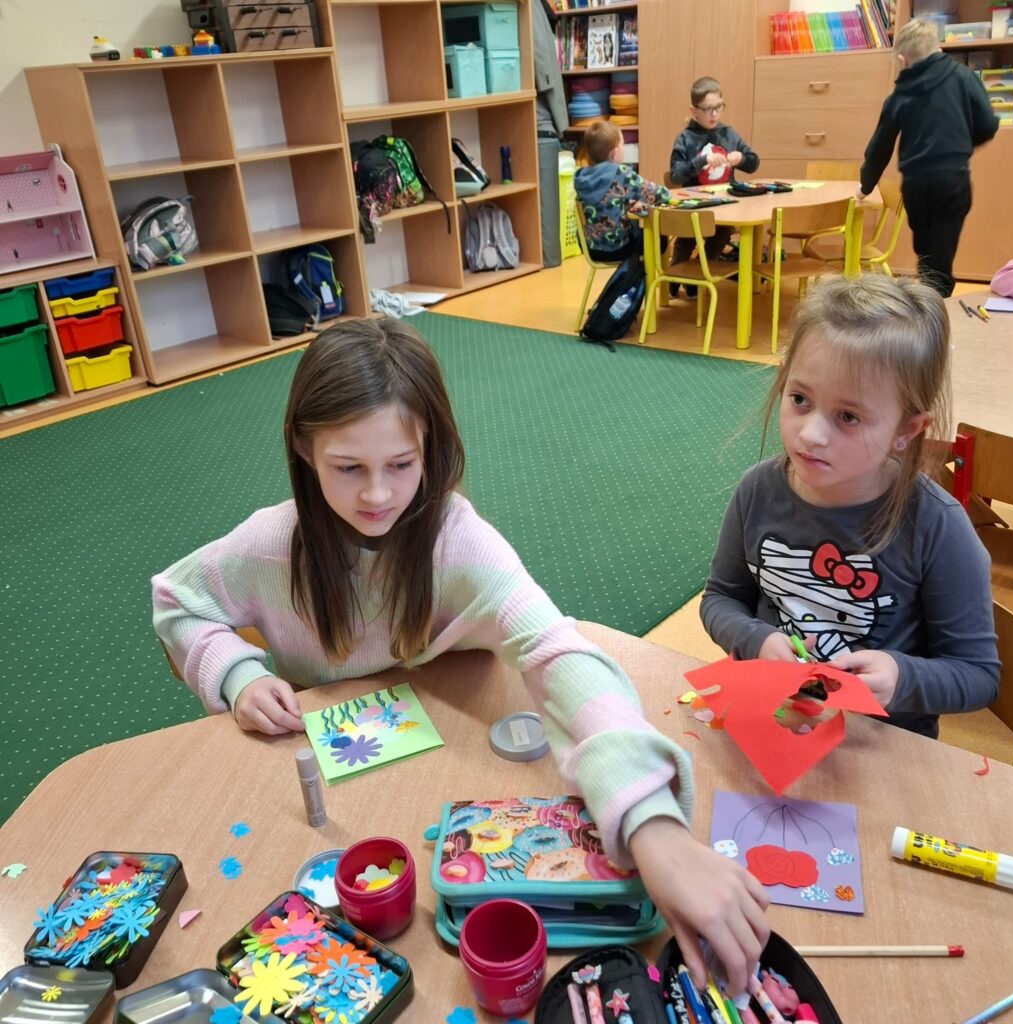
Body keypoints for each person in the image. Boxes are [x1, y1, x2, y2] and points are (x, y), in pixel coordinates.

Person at [153, 319, 769, 993]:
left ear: (431, 448)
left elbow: (555, 646)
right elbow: (178, 601)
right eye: (348, 467)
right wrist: (236, 673)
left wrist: (653, 825)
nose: (378, 495)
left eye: (401, 465)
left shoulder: (457, 541)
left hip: (448, 743)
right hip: (334, 789)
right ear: (303, 448)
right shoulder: (271, 544)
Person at [700, 275, 999, 739]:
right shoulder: (757, 490)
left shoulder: (936, 525)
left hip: (878, 745)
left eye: (848, 416)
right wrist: (756, 640)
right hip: (771, 723)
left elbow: (978, 675)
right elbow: (721, 599)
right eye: (800, 399)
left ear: (908, 428)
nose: (812, 434)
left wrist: (901, 678)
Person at [857, 18, 999, 298]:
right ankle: (937, 299)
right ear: (937, 48)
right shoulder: (963, 76)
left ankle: (932, 296)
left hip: (916, 184)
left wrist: (865, 185)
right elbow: (987, 125)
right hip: (953, 178)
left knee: (926, 252)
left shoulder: (899, 95)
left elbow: (880, 147)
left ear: (902, 59)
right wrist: (959, 144)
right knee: (943, 249)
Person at [667, 76, 759, 292]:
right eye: (708, 109)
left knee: (721, 235)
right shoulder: (685, 138)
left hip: (724, 206)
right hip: (692, 208)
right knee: (686, 240)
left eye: (719, 107)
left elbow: (754, 162)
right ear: (694, 111)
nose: (714, 114)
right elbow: (675, 175)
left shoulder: (729, 134)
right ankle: (672, 282)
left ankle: (697, 277)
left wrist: (741, 158)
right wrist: (700, 161)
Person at [574, 120, 669, 262]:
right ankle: (640, 279)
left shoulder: (581, 176)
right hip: (617, 248)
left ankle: (633, 277)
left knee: (639, 217)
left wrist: (633, 206)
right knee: (658, 237)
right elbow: (661, 194)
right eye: (623, 144)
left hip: (589, 248)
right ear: (614, 153)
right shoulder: (620, 173)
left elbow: (605, 204)